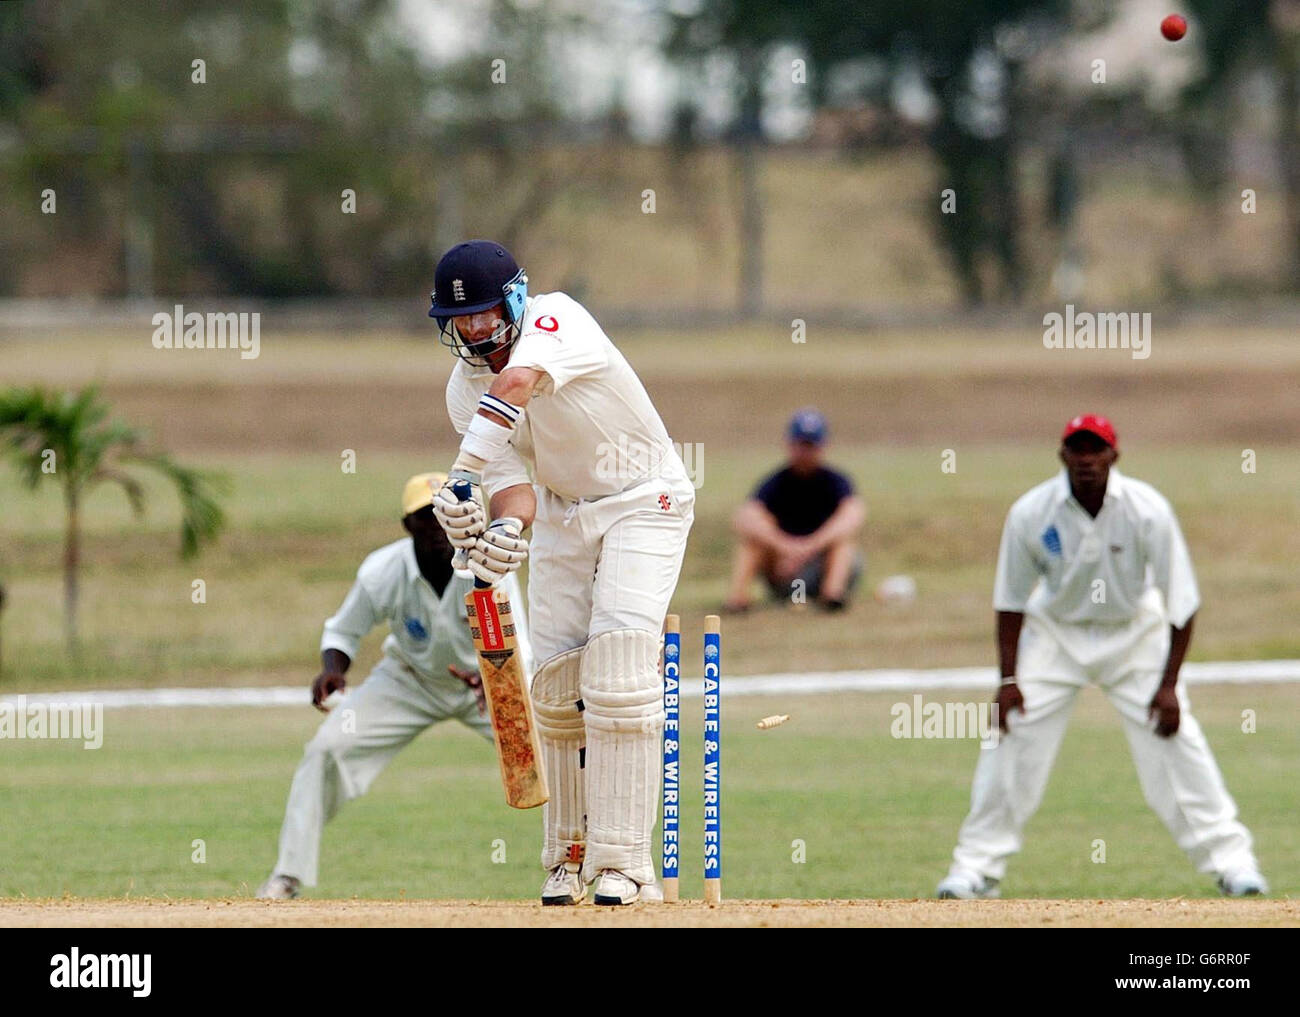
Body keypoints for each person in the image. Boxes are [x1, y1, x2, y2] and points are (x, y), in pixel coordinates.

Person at [427, 240, 694, 906]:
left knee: (620, 673)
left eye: (486, 316)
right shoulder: (464, 391)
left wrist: (459, 476)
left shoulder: (559, 319)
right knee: (554, 688)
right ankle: (567, 858)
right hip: (561, 512)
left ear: (514, 301)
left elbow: (517, 386)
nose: (475, 332)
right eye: (461, 322)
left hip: (644, 499)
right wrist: (502, 530)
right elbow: (514, 487)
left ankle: (626, 865)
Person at [936, 415, 1267, 900]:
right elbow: (1010, 600)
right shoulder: (1032, 511)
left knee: (1178, 742)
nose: (1086, 459)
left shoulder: (1147, 510)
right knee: (1011, 735)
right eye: (1077, 449)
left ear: (1114, 456)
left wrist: (1169, 684)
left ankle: (1234, 867)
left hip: (1134, 633)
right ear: (1062, 456)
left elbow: (1182, 601)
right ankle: (975, 871)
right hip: (1056, 635)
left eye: (1096, 449)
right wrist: (1008, 679)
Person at [256, 472, 531, 900]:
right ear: (408, 526)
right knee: (326, 750)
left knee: (553, 756)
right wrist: (334, 670)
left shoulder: (488, 570)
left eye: (448, 516)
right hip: (408, 681)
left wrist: (496, 680)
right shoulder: (383, 570)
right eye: (428, 517)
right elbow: (343, 633)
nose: (441, 527)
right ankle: (285, 878)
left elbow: (520, 649)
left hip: (486, 689)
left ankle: (586, 861)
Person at [723, 408, 865, 613]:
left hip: (819, 568)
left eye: (811, 446)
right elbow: (744, 518)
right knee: (753, 541)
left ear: (823, 446)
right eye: (801, 445)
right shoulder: (775, 483)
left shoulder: (837, 482)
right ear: (790, 445)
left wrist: (808, 548)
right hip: (784, 570)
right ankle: (737, 599)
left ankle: (832, 596)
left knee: (843, 542)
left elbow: (853, 516)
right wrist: (785, 547)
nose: (805, 452)